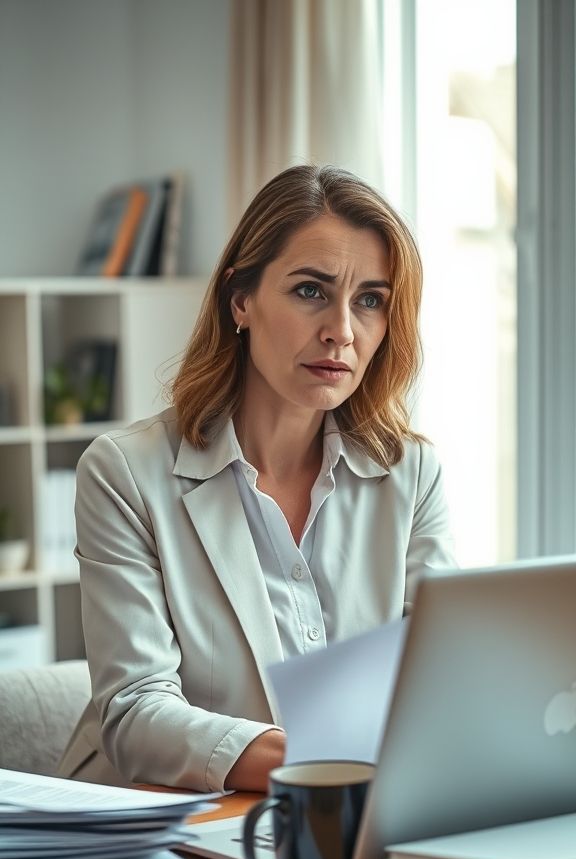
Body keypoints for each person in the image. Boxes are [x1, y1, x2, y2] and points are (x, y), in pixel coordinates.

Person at [57, 164, 456, 794]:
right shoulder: (124, 473)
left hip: (339, 811)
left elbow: (439, 678)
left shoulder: (413, 475)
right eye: (310, 291)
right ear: (240, 300)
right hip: (154, 823)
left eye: (370, 301)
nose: (342, 332)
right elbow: (136, 714)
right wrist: (324, 763)